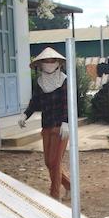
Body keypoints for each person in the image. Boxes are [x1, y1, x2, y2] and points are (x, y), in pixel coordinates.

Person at [18, 47, 71, 200]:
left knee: (55, 161)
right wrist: (25, 115)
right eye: (46, 61)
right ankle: (68, 185)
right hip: (46, 126)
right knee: (49, 162)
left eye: (52, 61)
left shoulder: (64, 80)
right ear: (40, 64)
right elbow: (34, 102)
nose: (49, 64)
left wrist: (66, 122)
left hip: (61, 127)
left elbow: (66, 103)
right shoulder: (40, 82)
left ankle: (55, 195)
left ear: (57, 63)